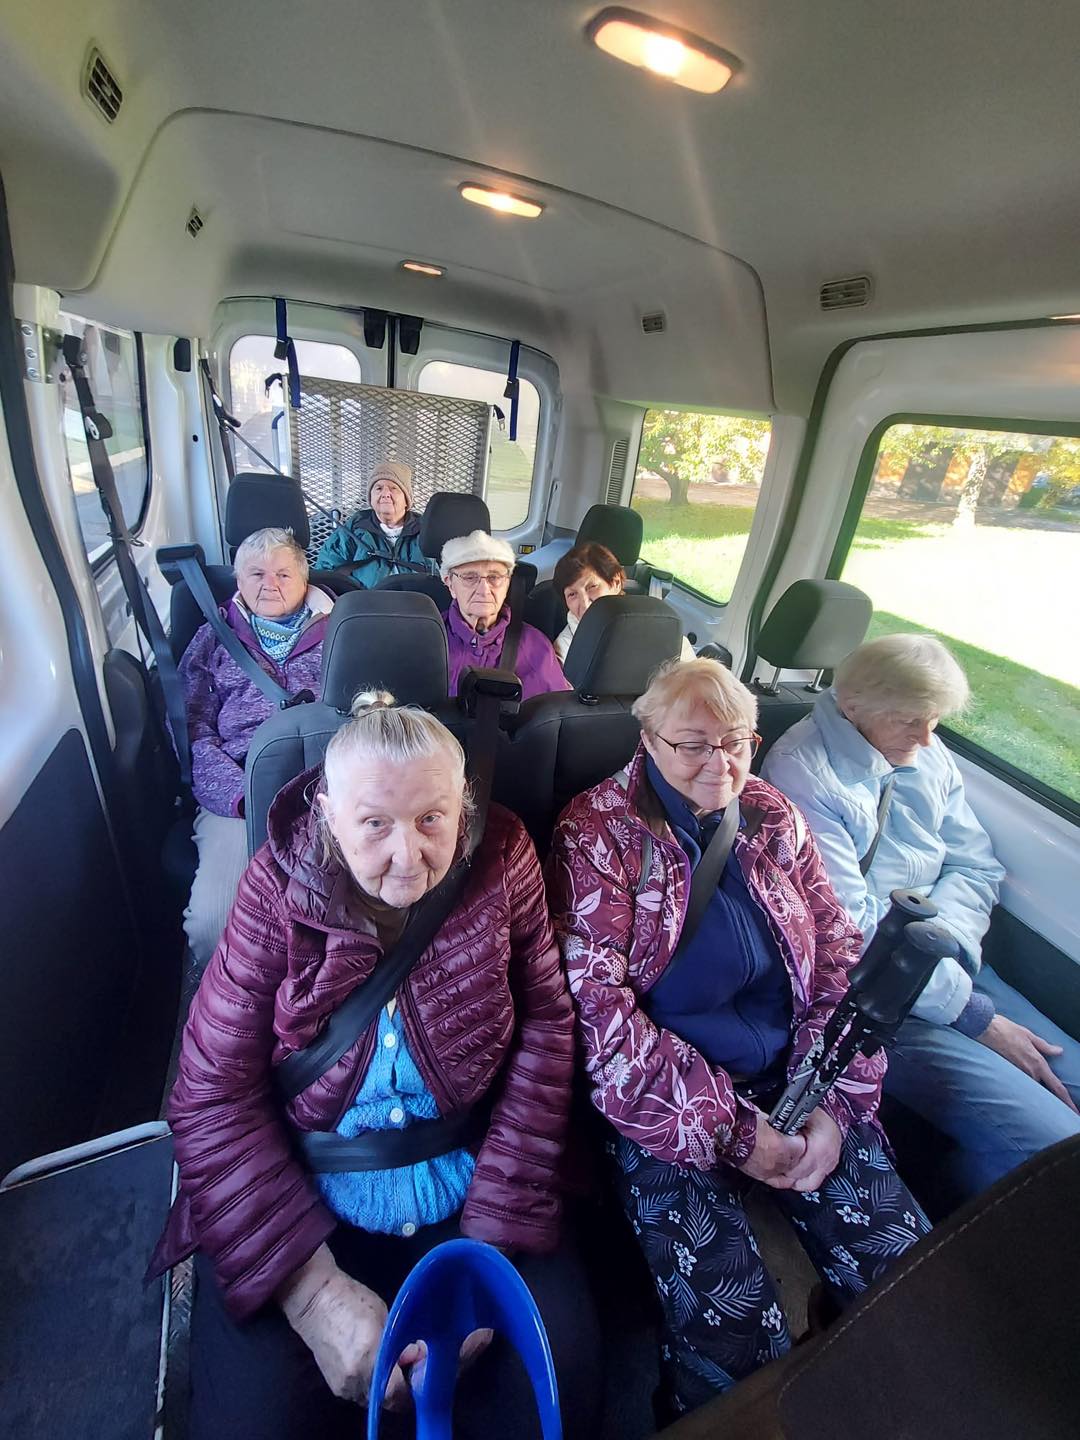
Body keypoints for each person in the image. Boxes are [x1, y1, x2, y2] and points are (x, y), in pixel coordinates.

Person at [150, 694, 600, 1440]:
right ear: (328, 815)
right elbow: (209, 1093)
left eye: (432, 819)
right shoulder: (274, 885)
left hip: (476, 1181)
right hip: (302, 1199)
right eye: (374, 825)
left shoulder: (504, 855)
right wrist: (313, 1296)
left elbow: (547, 1027)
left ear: (465, 804)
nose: (407, 855)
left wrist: (488, 1247)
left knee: (560, 1387)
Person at [546, 658, 928, 1418]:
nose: (718, 763)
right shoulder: (595, 835)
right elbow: (602, 1025)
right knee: (735, 1335)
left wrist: (835, 1104)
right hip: (665, 1099)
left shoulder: (772, 815)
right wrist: (735, 1134)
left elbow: (839, 956)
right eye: (693, 744)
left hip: (800, 1073)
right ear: (648, 740)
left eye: (735, 742)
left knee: (913, 1277)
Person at [762, 632, 1080, 1202]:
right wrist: (972, 1014)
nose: (929, 737)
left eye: (934, 720)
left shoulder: (923, 751)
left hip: (951, 966)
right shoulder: (801, 773)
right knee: (1056, 1147)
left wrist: (944, 947)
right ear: (853, 706)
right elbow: (850, 932)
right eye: (912, 720)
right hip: (872, 996)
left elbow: (975, 865)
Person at [179, 526, 332, 966]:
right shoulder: (213, 636)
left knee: (338, 918)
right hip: (238, 789)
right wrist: (239, 794)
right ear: (238, 580)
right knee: (213, 924)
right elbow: (191, 731)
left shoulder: (343, 629)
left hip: (326, 784)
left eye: (283, 574)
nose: (271, 584)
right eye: (257, 574)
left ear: (304, 579)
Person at [440, 530, 571, 700]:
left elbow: (554, 710)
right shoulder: (428, 639)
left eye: (494, 577)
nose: (484, 590)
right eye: (470, 577)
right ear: (450, 584)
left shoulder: (536, 645)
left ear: (507, 583)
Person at [552, 541, 695, 663]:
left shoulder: (664, 631)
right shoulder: (565, 648)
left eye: (592, 587)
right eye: (572, 594)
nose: (585, 603)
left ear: (616, 583)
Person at [315, 460, 428, 587]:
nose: (385, 494)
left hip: (415, 599)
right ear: (371, 498)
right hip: (363, 599)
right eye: (379, 488)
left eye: (394, 488)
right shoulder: (355, 527)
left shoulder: (426, 530)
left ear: (406, 499)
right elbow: (325, 570)